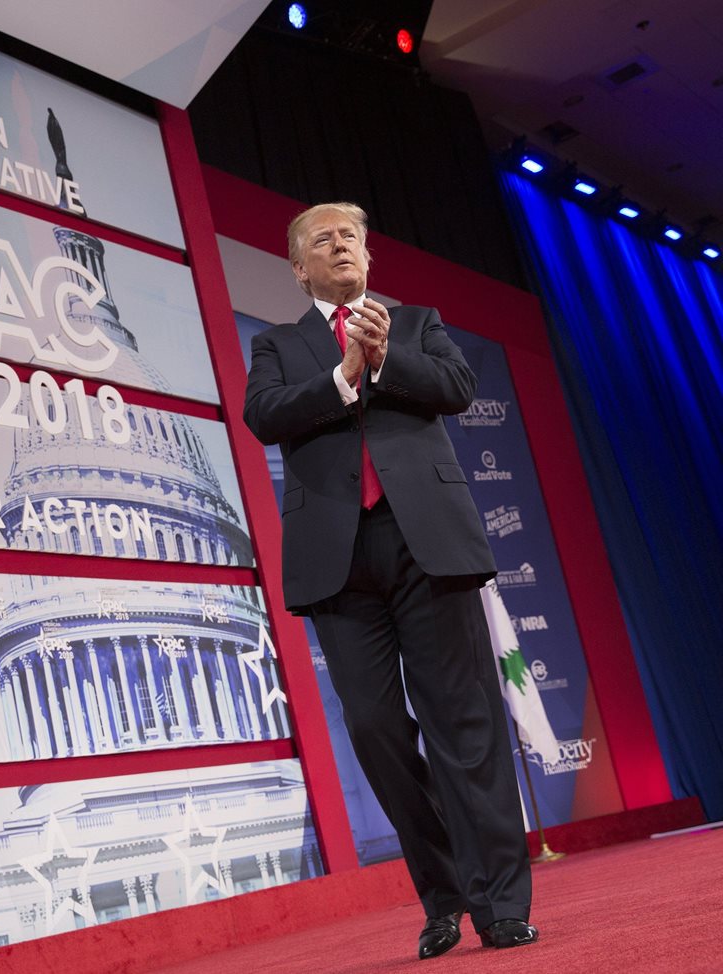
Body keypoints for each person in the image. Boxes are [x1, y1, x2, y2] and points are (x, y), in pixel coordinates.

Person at [243, 202, 538, 959]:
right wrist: (342, 377)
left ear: (368, 259)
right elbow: (264, 415)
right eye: (321, 240)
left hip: (427, 546)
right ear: (299, 268)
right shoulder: (279, 345)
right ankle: (442, 896)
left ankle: (500, 903)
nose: (339, 246)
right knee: (377, 733)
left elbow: (456, 386)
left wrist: (381, 361)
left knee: (464, 726)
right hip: (338, 560)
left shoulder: (415, 324)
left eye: (350, 237)